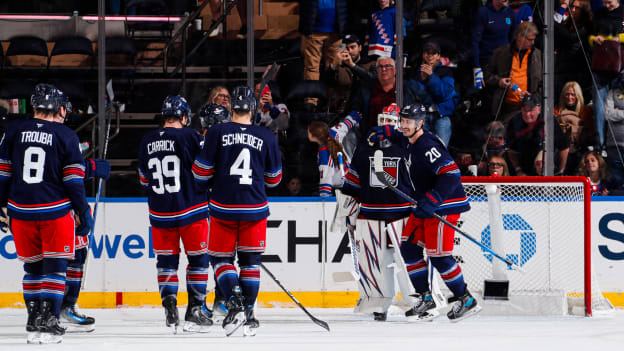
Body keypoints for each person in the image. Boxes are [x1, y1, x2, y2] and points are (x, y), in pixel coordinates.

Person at [0, 83, 94, 344]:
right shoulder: (65, 135)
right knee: (55, 267)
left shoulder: (13, 131)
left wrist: (1, 203)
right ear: (59, 108)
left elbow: (3, 173)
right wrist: (83, 210)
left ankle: (33, 321)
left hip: (20, 211)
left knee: (32, 269)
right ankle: (50, 319)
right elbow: (73, 181)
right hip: (55, 210)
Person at [367, 104, 479, 322]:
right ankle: (425, 298)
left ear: (420, 123)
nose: (404, 125)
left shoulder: (426, 144)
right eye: (402, 121)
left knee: (439, 255)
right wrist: (387, 131)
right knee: (408, 248)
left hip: (444, 205)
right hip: (425, 204)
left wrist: (435, 198)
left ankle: (465, 299)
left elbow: (451, 173)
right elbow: (398, 138)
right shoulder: (409, 140)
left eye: (408, 122)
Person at [193, 86, 282, 336]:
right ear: (253, 108)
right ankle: (249, 316)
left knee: (221, 260)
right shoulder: (267, 136)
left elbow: (200, 172)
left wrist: (212, 182)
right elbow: (275, 179)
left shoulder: (217, 131)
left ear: (231, 106)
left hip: (223, 208)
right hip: (255, 208)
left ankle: (235, 305)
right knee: (250, 263)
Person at [137, 96, 213, 334]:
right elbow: (204, 170)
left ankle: (170, 308)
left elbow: (143, 179)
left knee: (166, 263)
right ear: (183, 116)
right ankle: (195, 311)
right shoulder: (191, 136)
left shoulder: (147, 140)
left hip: (160, 213)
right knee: (198, 261)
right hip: (192, 210)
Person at [341, 103, 413, 322]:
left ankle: (416, 301)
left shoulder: (408, 148)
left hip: (403, 215)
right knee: (376, 264)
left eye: (391, 121)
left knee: (408, 263)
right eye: (383, 121)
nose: (385, 126)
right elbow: (351, 186)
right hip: (370, 216)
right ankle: (379, 304)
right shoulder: (364, 148)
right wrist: (350, 216)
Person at [53, 91, 111, 333]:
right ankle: (52, 311)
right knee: (55, 262)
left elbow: (63, 167)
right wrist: (91, 168)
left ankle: (64, 307)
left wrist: (87, 167)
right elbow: (61, 173)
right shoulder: (60, 134)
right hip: (59, 208)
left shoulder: (54, 135)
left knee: (76, 256)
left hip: (62, 206)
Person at [484, 21, 542, 124]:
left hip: (529, 107)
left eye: (534, 39)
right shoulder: (501, 53)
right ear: (520, 37)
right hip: (506, 107)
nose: (533, 42)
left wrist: (533, 97)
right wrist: (499, 81)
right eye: (530, 40)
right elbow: (487, 74)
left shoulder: (537, 55)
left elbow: (543, 82)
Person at [299, 0, 349, 109]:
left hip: (336, 32)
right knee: (312, 67)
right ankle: (311, 102)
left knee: (335, 67)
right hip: (313, 30)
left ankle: (332, 101)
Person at [589, 0, 624, 149]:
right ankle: (600, 144)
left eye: (609, 2)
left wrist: (619, 38)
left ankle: (618, 143)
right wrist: (594, 39)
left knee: (618, 107)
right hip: (601, 67)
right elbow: (589, 36)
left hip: (620, 69)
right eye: (604, 2)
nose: (606, 6)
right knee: (599, 107)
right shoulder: (600, 14)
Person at [506, 95, 570, 176]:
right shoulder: (514, 122)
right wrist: (518, 170)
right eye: (524, 110)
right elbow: (511, 151)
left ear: (539, 109)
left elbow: (564, 148)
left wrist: (560, 172)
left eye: (531, 110)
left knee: (541, 161)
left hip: (550, 169)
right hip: (525, 169)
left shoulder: (549, 120)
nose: (527, 114)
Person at [413, 41, 459, 146]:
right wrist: (422, 78)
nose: (430, 55)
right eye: (427, 52)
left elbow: (442, 94)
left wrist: (431, 76)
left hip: (441, 116)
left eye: (433, 53)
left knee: (441, 151)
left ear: (438, 56)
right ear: (423, 54)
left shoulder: (446, 71)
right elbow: (416, 96)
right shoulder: (416, 73)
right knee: (420, 148)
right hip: (421, 117)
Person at [307, 111, 361, 196]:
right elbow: (344, 125)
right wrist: (354, 116)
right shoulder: (333, 132)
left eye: (309, 131)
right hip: (353, 179)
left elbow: (326, 177)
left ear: (314, 136)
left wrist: (324, 198)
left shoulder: (324, 153)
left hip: (347, 187)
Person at [471, 0, 517, 89]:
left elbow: (514, 40)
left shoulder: (511, 13)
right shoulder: (483, 13)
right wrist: (476, 67)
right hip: (486, 63)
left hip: (504, 63)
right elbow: (475, 42)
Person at [327, 34, 376, 113]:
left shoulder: (370, 63)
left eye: (352, 47)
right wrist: (334, 63)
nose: (349, 51)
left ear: (360, 48)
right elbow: (329, 82)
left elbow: (372, 79)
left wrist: (352, 65)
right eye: (346, 48)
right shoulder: (340, 67)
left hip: (366, 108)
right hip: (343, 109)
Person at [554, 81, 596, 173]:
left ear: (578, 95)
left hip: (580, 149)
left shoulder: (585, 110)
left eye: (573, 94)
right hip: (561, 149)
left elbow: (590, 132)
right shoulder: (556, 110)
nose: (570, 97)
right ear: (563, 96)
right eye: (567, 94)